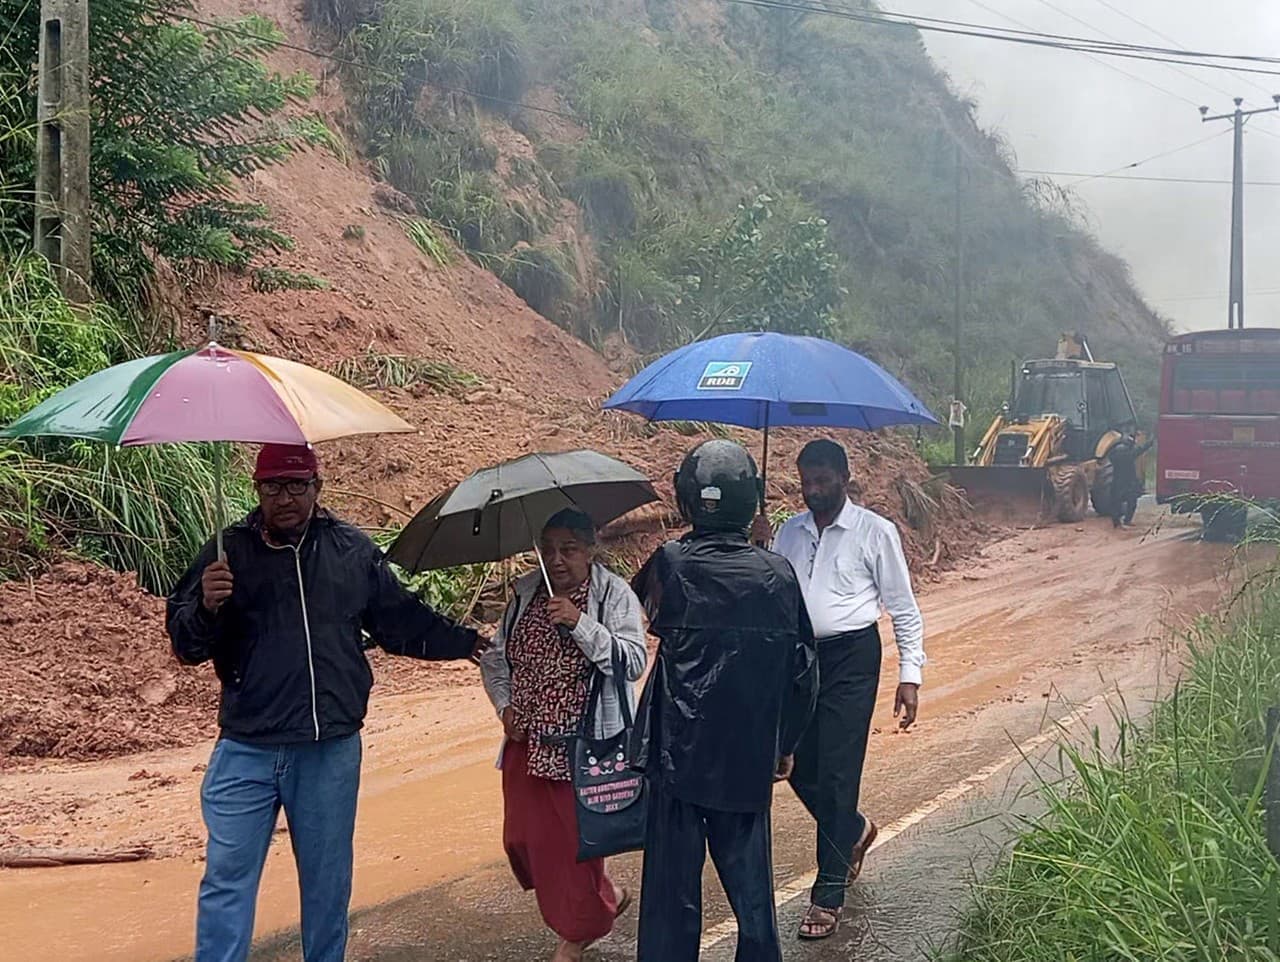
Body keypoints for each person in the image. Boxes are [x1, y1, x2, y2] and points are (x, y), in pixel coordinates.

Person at [167, 443, 486, 962]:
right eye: (273, 486)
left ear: (317, 487)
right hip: (247, 748)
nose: (285, 498)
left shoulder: (351, 549)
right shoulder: (227, 553)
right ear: (256, 490)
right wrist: (205, 606)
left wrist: (466, 642)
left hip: (328, 747)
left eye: (297, 485)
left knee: (326, 883)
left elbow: (400, 620)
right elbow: (186, 646)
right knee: (227, 879)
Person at [631, 439, 818, 962]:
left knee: (670, 898)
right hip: (747, 754)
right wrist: (785, 743)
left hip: (678, 754)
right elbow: (804, 672)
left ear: (685, 497)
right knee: (752, 897)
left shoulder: (670, 562)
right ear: (751, 498)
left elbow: (647, 607)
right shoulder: (777, 573)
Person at [759, 438, 926, 941]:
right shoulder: (789, 532)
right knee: (791, 761)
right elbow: (771, 593)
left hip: (852, 658)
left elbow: (903, 606)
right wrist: (759, 549)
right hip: (799, 658)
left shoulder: (875, 531)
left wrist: (910, 674)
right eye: (806, 481)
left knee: (837, 770)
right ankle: (852, 829)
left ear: (844, 479)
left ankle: (827, 893)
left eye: (822, 480)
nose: (813, 490)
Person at [479, 508, 647, 962]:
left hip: (583, 746)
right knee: (522, 841)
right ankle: (606, 895)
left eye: (568, 549)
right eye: (549, 549)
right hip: (527, 741)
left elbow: (632, 662)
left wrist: (579, 623)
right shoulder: (526, 593)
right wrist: (504, 707)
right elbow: (495, 659)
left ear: (590, 550)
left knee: (573, 846)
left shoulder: (613, 594)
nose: (556, 559)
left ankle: (579, 933)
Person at [1107, 433, 1154, 528]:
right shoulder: (1129, 453)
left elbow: (1110, 456)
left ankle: (1117, 523)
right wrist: (1150, 442)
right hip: (1128, 482)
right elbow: (1140, 449)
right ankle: (1126, 521)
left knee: (1116, 503)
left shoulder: (1114, 454)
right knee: (1131, 502)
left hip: (1117, 481)